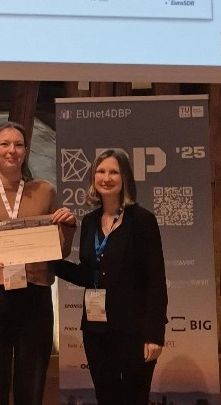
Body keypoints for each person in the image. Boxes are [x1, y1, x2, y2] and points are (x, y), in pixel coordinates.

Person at [0, 121, 77, 405]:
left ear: (25, 151)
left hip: (35, 299)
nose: (12, 150)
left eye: (19, 144)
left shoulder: (44, 191)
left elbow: (56, 251)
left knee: (32, 388)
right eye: (5, 144)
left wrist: (68, 227)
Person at [56, 149, 167, 405]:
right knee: (106, 398)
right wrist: (49, 263)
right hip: (96, 330)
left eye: (114, 172)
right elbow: (88, 274)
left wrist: (154, 334)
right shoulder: (91, 221)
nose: (106, 178)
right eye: (101, 171)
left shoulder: (142, 220)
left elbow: (156, 280)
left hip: (135, 329)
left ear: (125, 177)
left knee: (134, 399)